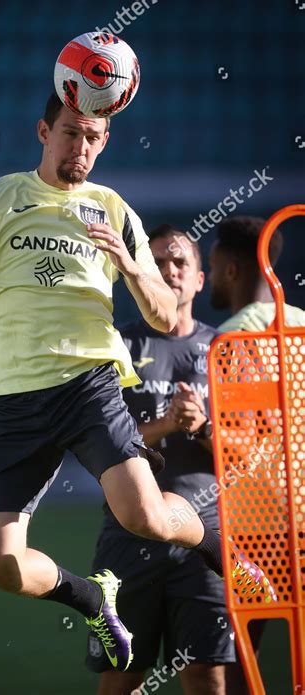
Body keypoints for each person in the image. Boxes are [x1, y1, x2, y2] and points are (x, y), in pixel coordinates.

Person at [0, 93, 275, 673]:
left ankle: (228, 555)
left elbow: (168, 317)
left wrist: (132, 263)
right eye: (72, 133)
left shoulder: (114, 209)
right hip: (15, 401)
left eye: (94, 138)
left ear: (105, 142)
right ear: (44, 130)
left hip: (88, 385)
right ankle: (92, 597)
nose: (82, 147)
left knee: (142, 516)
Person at [86, 224, 236, 695]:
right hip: (128, 537)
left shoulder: (224, 351)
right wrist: (167, 426)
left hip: (205, 540)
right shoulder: (114, 345)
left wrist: (205, 427)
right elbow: (95, 443)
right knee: (120, 678)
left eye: (180, 263)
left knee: (207, 677)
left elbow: (249, 455)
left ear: (199, 280)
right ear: (140, 275)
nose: (169, 271)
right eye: (158, 263)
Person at [208, 215, 304, 694]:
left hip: (257, 524)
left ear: (230, 269)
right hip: (302, 512)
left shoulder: (232, 338)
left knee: (240, 658)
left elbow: (237, 434)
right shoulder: (303, 326)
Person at [208, 215, 305, 331]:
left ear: (231, 271)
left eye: (212, 267)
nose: (210, 277)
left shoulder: (232, 333)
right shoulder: (300, 319)